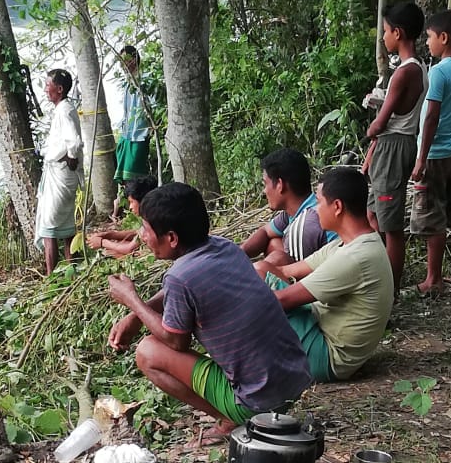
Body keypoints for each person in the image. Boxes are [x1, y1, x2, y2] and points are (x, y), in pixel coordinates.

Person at [107, 183, 311, 443]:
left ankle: (233, 419)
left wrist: (132, 300)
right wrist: (136, 316)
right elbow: (183, 291)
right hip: (296, 379)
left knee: (147, 352)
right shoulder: (223, 247)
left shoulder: (180, 277)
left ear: (171, 238)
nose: (142, 235)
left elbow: (175, 341)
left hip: (260, 403)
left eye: (146, 228)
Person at [270, 166, 394, 383]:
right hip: (322, 330)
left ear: (337, 206)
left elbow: (281, 300)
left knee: (259, 297)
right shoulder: (347, 244)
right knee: (264, 271)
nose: (315, 210)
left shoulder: (357, 256)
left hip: (328, 358)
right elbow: (285, 271)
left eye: (318, 202)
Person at [363, 1, 427, 293]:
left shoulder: (405, 72)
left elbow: (381, 122)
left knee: (392, 228)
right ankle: (378, 276)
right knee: (373, 215)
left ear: (398, 33)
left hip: (393, 147)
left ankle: (390, 291)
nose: (384, 37)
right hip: (392, 146)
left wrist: (370, 126)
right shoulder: (418, 68)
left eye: (386, 31)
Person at [410, 9, 451, 295]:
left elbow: (432, 116)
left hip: (435, 155)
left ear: (444, 38)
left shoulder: (438, 72)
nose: (427, 43)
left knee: (433, 215)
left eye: (430, 37)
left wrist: (421, 158)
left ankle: (432, 278)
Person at [241, 148, 334, 273]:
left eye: (265, 184)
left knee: (275, 260)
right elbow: (265, 231)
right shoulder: (299, 208)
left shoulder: (306, 225)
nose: (264, 192)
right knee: (274, 243)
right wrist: (237, 254)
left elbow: (302, 282)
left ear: (280, 185)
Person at [34, 68, 83, 274]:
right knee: (64, 226)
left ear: (60, 89)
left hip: (61, 173)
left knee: (50, 228)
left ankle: (50, 277)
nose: (45, 90)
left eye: (48, 85)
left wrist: (70, 158)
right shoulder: (63, 108)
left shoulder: (65, 110)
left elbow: (74, 141)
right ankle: (73, 272)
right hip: (58, 174)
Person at [113, 45, 152, 219]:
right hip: (126, 134)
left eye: (127, 59)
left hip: (140, 134)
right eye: (121, 61)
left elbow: (153, 106)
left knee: (134, 175)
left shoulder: (146, 79)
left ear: (135, 59)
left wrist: (152, 126)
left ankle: (136, 212)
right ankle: (120, 211)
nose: (124, 64)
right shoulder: (126, 82)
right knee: (122, 176)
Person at [87, 175, 158, 258]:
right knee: (114, 247)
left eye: (131, 202)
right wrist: (109, 234)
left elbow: (130, 249)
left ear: (142, 201)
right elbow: (138, 233)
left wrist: (103, 242)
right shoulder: (149, 215)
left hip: (149, 253)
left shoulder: (152, 219)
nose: (130, 207)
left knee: (111, 252)